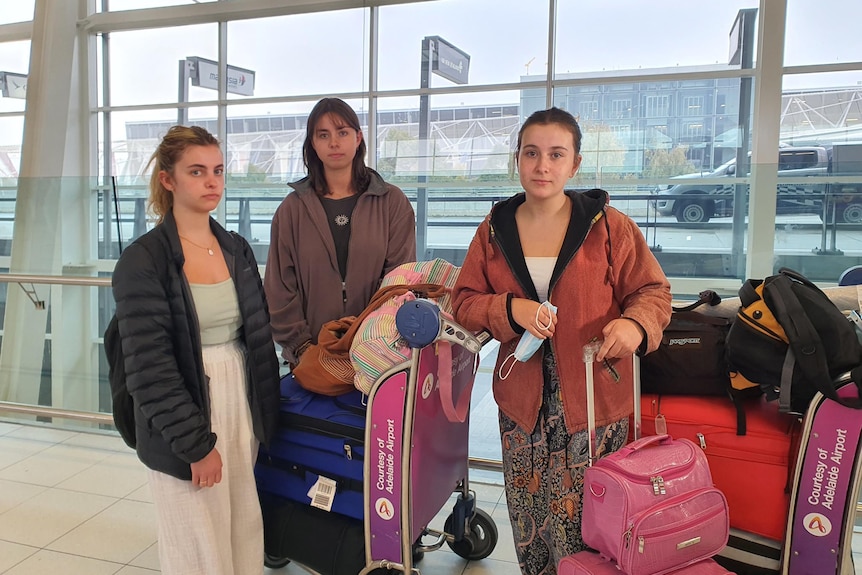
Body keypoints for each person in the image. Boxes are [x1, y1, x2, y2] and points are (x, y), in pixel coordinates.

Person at [452, 107, 672, 575]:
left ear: (574, 164)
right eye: (531, 153)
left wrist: (634, 326)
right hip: (521, 405)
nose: (542, 166)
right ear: (518, 160)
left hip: (593, 401)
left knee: (592, 525)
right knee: (530, 524)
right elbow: (464, 303)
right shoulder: (494, 229)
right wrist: (511, 310)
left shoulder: (608, 226)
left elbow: (652, 292)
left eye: (556, 154)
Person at [111, 125, 280, 575]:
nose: (212, 182)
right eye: (197, 171)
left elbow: (257, 339)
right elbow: (149, 369)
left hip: (237, 395)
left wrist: (267, 418)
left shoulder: (236, 249)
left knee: (243, 525)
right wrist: (195, 445)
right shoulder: (144, 261)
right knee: (196, 539)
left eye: (218, 171)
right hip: (184, 405)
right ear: (168, 180)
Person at [265, 97, 416, 368]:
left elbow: (399, 281)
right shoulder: (292, 209)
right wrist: (302, 348)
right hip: (310, 357)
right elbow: (279, 289)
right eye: (323, 135)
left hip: (379, 355)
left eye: (342, 132)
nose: (334, 142)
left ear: (358, 138)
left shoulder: (392, 202)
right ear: (313, 143)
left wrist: (376, 342)